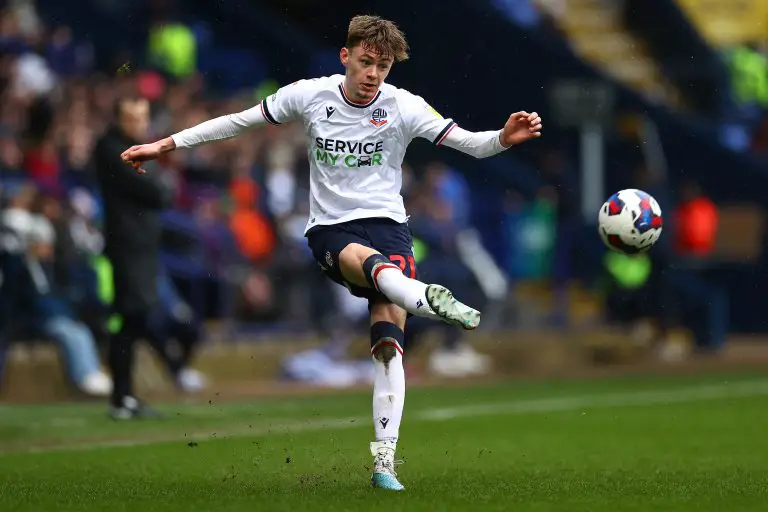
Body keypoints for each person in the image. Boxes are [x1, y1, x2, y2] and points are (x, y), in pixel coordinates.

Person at [120, 15, 543, 490]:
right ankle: (424, 298)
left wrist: (504, 139)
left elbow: (468, 142)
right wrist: (165, 144)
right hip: (331, 230)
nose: (373, 75)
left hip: (390, 228)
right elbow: (237, 122)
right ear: (346, 56)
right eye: (366, 63)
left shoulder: (403, 106)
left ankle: (385, 461)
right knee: (370, 266)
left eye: (382, 67)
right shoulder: (309, 94)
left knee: (388, 349)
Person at [95, 96, 184, 419]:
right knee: (130, 317)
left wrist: (161, 186)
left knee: (136, 317)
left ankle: (125, 396)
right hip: (125, 247)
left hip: (143, 248)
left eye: (142, 118)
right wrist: (160, 186)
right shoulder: (110, 147)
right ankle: (122, 397)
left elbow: (163, 191)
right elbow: (157, 192)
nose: (138, 125)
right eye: (132, 118)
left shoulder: (141, 149)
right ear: (118, 118)